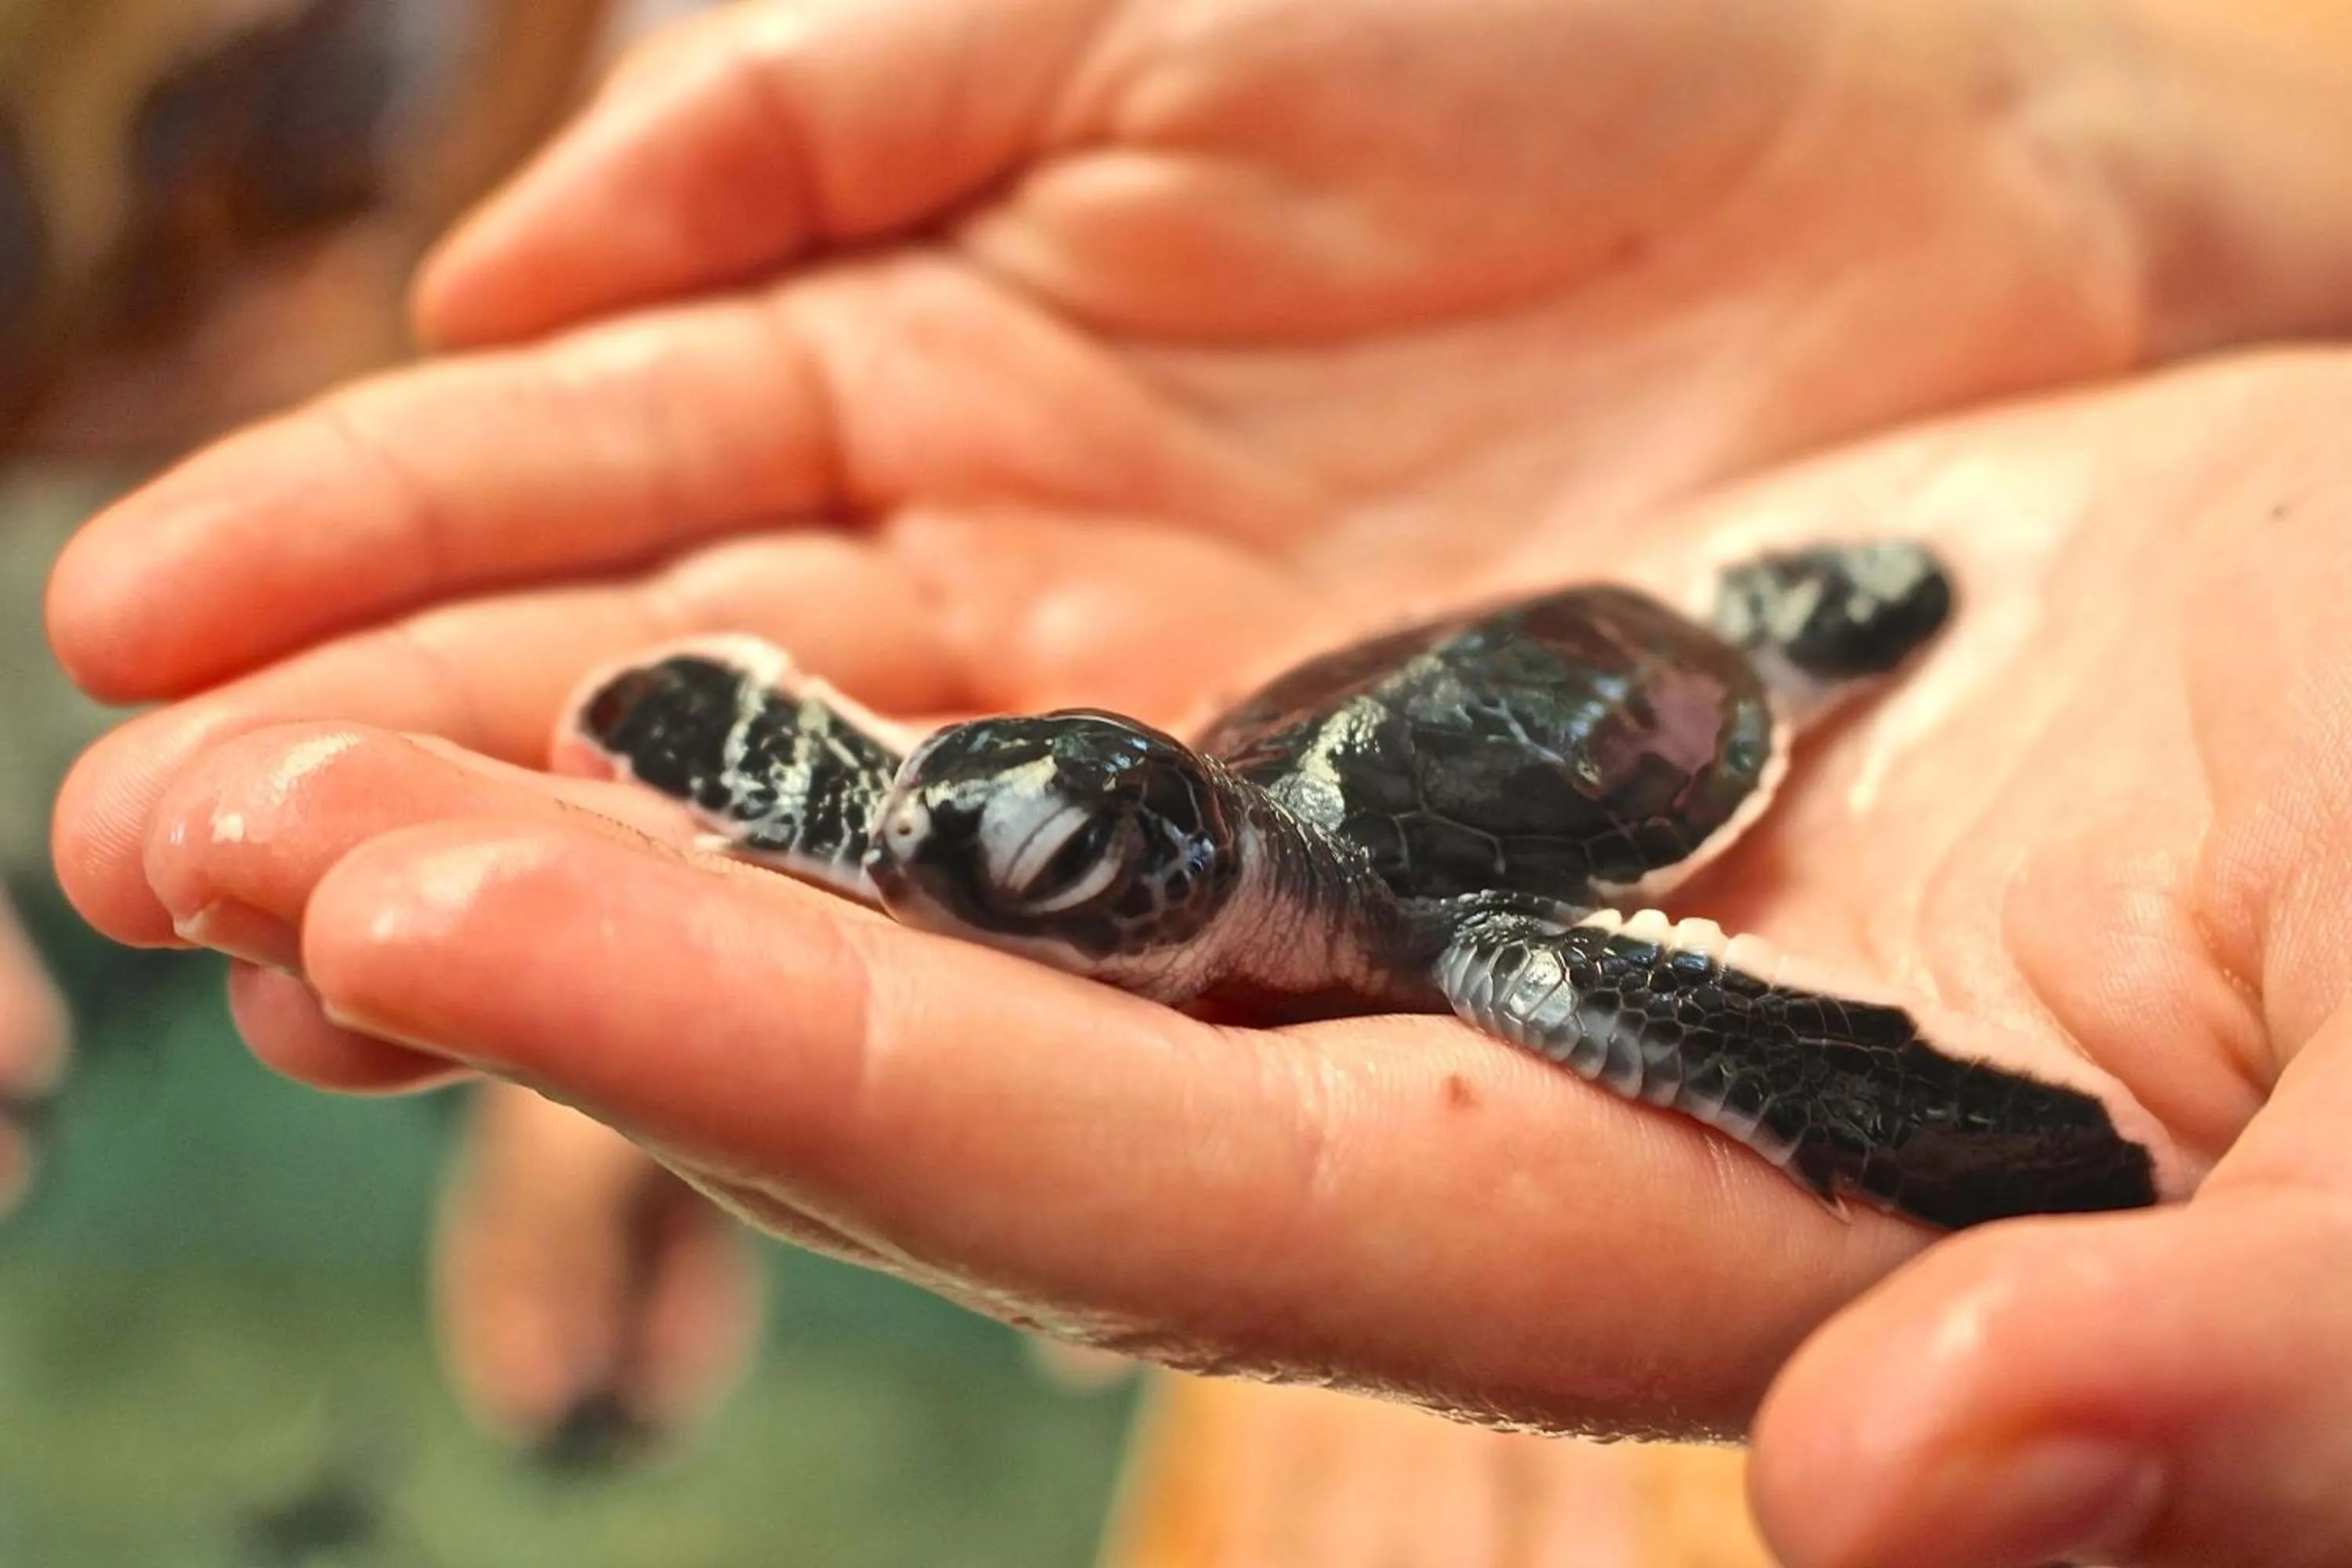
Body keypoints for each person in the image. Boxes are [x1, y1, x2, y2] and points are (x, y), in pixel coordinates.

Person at [40, 0, 2352, 1562]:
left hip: (1647, 688)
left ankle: (1798, 638)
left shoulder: (1446, 923)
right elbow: (922, 821)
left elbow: (1675, 1017)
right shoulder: (1118, 833)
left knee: (1660, 1052)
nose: (977, 884)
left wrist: (2069, 144)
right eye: (980, 867)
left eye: (1057, 881)